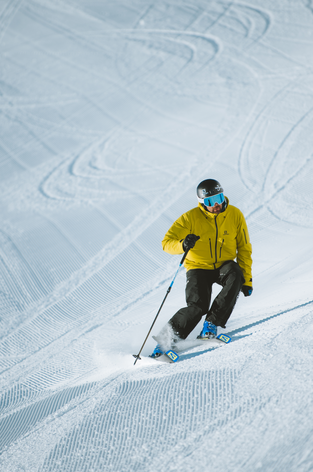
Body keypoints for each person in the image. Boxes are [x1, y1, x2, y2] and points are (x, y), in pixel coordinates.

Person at [151, 179, 253, 358]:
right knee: (197, 306)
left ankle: (211, 325)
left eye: (219, 198)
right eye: (210, 202)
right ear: (201, 203)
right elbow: (166, 244)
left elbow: (244, 247)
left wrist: (247, 279)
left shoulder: (235, 215)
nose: (217, 205)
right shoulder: (190, 218)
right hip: (198, 267)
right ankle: (164, 342)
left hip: (223, 264)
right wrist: (182, 245)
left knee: (236, 274)